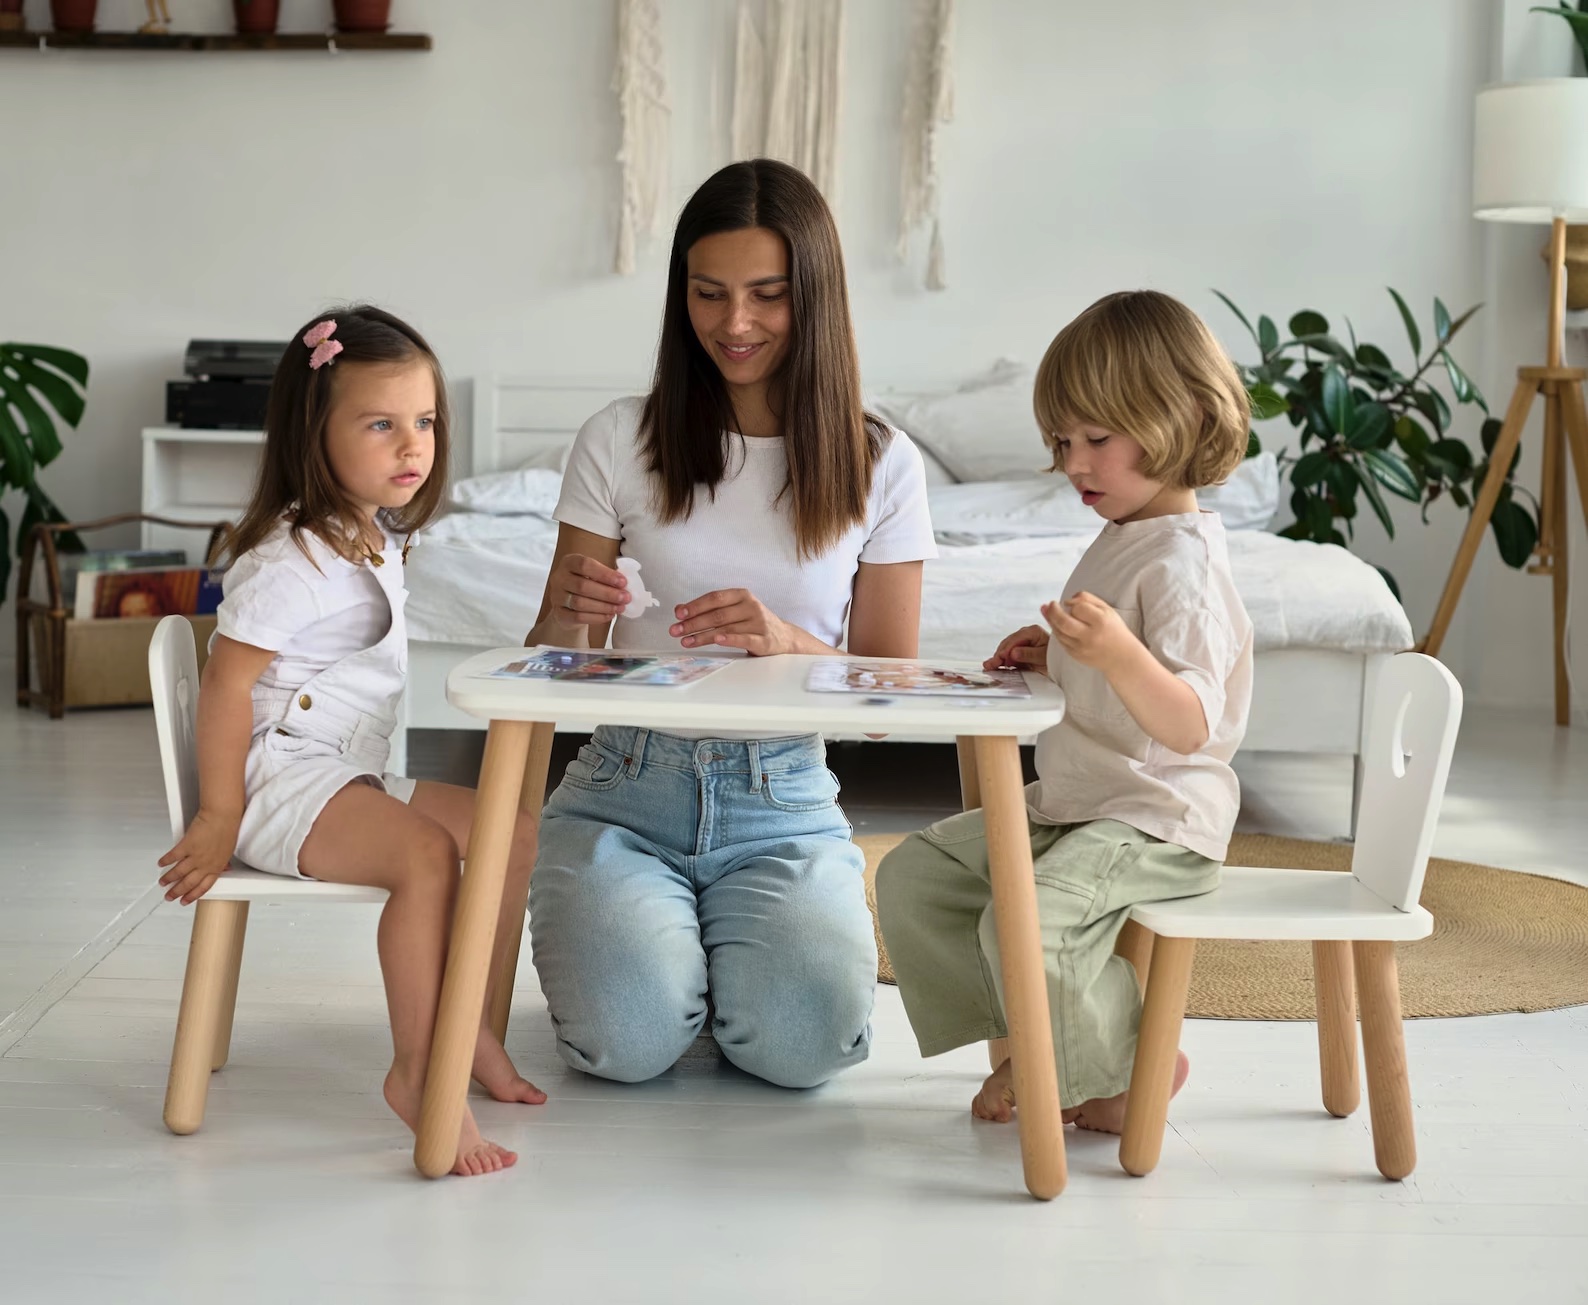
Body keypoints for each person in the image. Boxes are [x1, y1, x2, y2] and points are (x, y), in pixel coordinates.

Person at [526, 159, 936, 1089]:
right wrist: (568, 611)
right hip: (622, 785)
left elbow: (893, 692)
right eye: (708, 294)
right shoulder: (618, 437)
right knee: (624, 1047)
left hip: (784, 796)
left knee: (806, 1051)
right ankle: (664, 956)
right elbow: (551, 658)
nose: (735, 323)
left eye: (766, 295)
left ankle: (711, 959)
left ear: (815, 297)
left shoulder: (882, 462)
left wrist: (791, 644)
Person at [156, 306, 544, 1177]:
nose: (412, 445)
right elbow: (225, 684)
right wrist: (220, 813)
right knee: (422, 857)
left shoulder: (369, 535)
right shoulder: (291, 562)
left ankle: (463, 1027)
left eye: (425, 421)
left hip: (340, 773)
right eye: (381, 424)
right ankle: (416, 1073)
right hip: (275, 785)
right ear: (313, 431)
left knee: (512, 831)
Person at [875, 290, 1254, 1133]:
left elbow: (1190, 718)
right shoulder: (1125, 533)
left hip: (1154, 818)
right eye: (1060, 441)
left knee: (1032, 915)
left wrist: (1117, 652)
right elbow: (1124, 683)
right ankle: (1027, 1048)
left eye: (1095, 439)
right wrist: (1065, 657)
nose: (1073, 463)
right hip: (1083, 803)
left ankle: (1122, 1068)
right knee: (916, 877)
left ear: (1184, 417)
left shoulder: (1183, 561)